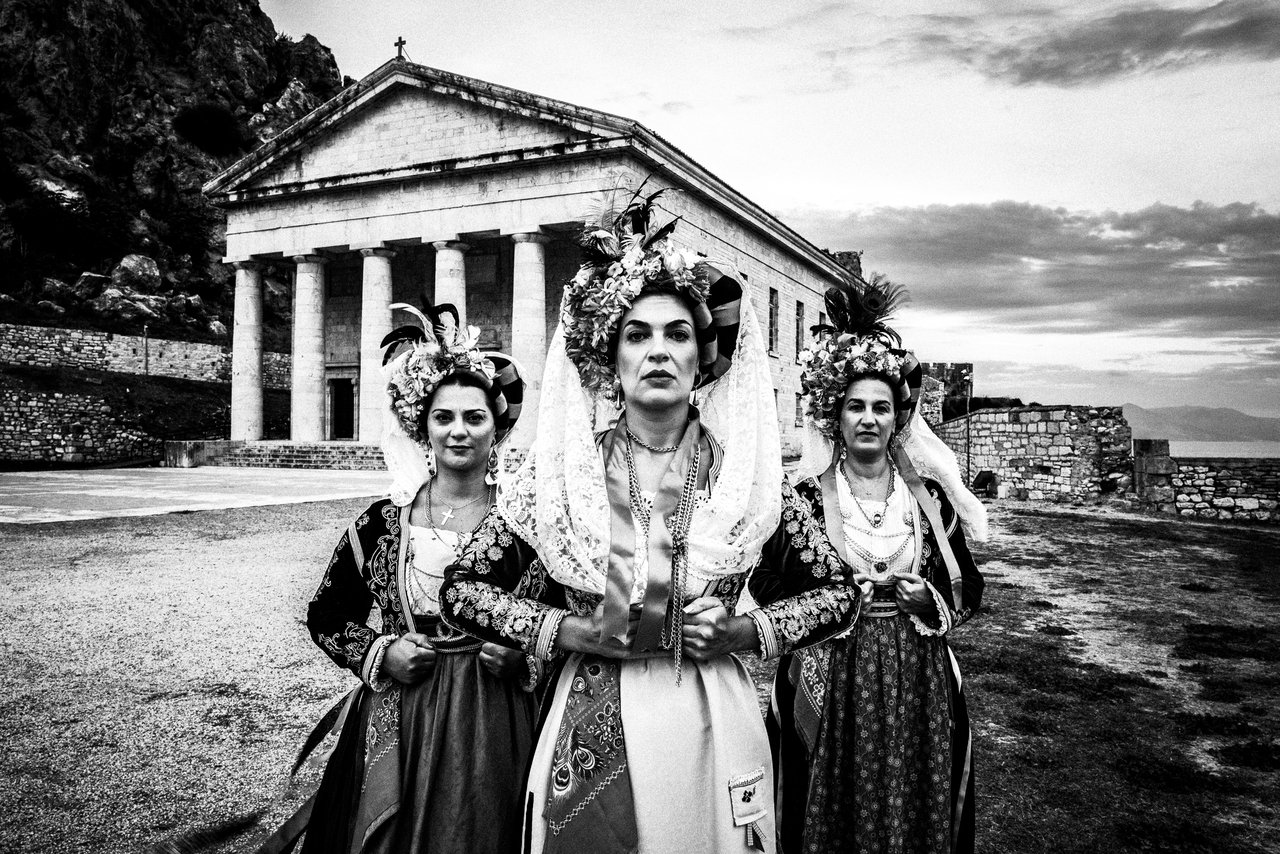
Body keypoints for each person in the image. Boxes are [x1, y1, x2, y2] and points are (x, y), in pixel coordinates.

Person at [439, 185, 863, 854]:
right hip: (591, 711)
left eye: (678, 334)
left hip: (710, 713)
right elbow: (461, 590)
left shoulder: (748, 483)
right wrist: (569, 630)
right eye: (637, 335)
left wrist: (742, 631)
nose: (658, 351)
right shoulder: (560, 480)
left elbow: (839, 595)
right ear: (611, 358)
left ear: (703, 359)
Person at [750, 275, 988, 854]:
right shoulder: (802, 501)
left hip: (917, 674)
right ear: (835, 415)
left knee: (914, 797)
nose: (868, 418)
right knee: (831, 805)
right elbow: (764, 581)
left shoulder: (928, 500)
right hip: (830, 673)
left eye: (881, 407)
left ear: (896, 419)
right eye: (855, 406)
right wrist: (828, 603)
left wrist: (928, 599)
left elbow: (970, 584)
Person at [300, 304, 535, 854]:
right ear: (421, 425)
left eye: (474, 417)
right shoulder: (382, 522)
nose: (458, 431)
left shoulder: (527, 526)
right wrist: (381, 652)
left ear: (496, 427)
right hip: (401, 712)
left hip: (495, 719)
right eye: (443, 417)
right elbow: (326, 614)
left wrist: (526, 659)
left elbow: (568, 617)